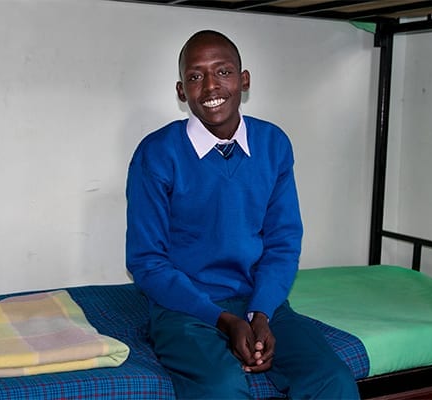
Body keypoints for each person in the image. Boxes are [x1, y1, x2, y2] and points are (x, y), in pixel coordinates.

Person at [125, 30, 359, 399]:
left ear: (244, 80)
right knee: (222, 386)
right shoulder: (157, 153)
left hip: (260, 301)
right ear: (181, 91)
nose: (210, 86)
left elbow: (282, 243)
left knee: (332, 379)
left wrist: (261, 314)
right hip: (185, 306)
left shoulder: (273, 144)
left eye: (223, 71)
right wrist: (225, 320)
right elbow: (146, 261)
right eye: (196, 76)